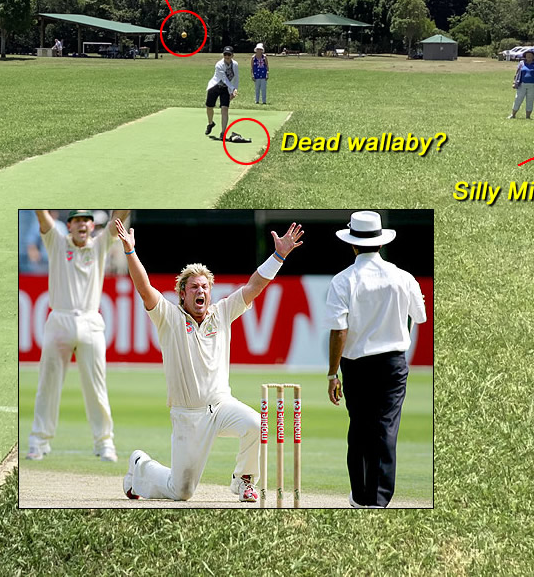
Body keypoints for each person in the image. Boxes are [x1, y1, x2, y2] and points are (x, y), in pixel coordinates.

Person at [119, 218, 305, 503]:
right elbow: (144, 288)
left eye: (205, 287)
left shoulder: (222, 313)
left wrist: (278, 256)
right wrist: (130, 251)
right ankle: (140, 465)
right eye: (194, 287)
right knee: (181, 492)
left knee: (256, 423)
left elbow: (254, 286)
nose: (201, 291)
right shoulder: (168, 317)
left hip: (220, 406)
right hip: (188, 415)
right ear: (182, 293)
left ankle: (244, 481)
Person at [324, 211, 427, 508]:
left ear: (352, 244)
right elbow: (418, 316)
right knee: (385, 428)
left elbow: (339, 331)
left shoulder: (343, 280)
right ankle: (378, 500)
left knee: (359, 427)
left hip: (356, 366)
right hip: (393, 363)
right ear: (380, 243)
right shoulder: (403, 277)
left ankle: (360, 497)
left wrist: (332, 374)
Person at [26, 209, 130, 464]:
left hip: (90, 321)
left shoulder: (100, 245)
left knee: (96, 387)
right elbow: (42, 217)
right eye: (77, 221)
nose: (82, 225)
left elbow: (119, 217)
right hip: (59, 320)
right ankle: (39, 442)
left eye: (86, 221)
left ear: (92, 227)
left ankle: (104, 443)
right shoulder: (57, 241)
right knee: (48, 385)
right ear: (69, 225)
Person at [205, 46, 239, 138]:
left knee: (225, 109)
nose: (227, 56)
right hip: (215, 86)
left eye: (229, 54)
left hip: (225, 89)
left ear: (232, 55)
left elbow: (236, 78)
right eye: (225, 54)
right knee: (209, 107)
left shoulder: (235, 64)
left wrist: (234, 90)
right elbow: (224, 79)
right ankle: (210, 123)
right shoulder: (219, 65)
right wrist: (233, 88)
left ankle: (223, 132)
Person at [508, 49, 534, 119]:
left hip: (533, 85)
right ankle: (513, 114)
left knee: (530, 100)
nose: (529, 56)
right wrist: (514, 82)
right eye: (527, 55)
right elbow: (517, 73)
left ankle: (528, 116)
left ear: (533, 57)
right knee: (518, 99)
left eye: (530, 55)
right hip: (522, 84)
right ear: (525, 56)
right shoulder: (521, 63)